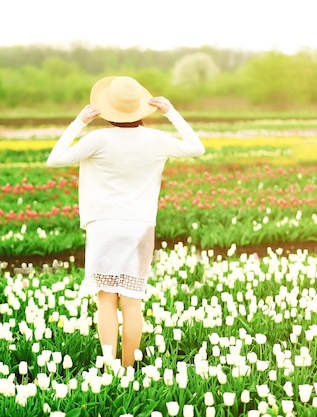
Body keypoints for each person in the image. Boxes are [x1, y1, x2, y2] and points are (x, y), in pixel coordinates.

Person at [46, 75, 205, 367]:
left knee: (107, 299)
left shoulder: (98, 139)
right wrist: (171, 112)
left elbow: (54, 159)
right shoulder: (157, 140)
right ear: (141, 108)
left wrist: (79, 122)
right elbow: (197, 148)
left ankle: (110, 368)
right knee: (131, 300)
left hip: (103, 225)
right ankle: (129, 367)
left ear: (108, 109)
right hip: (140, 226)